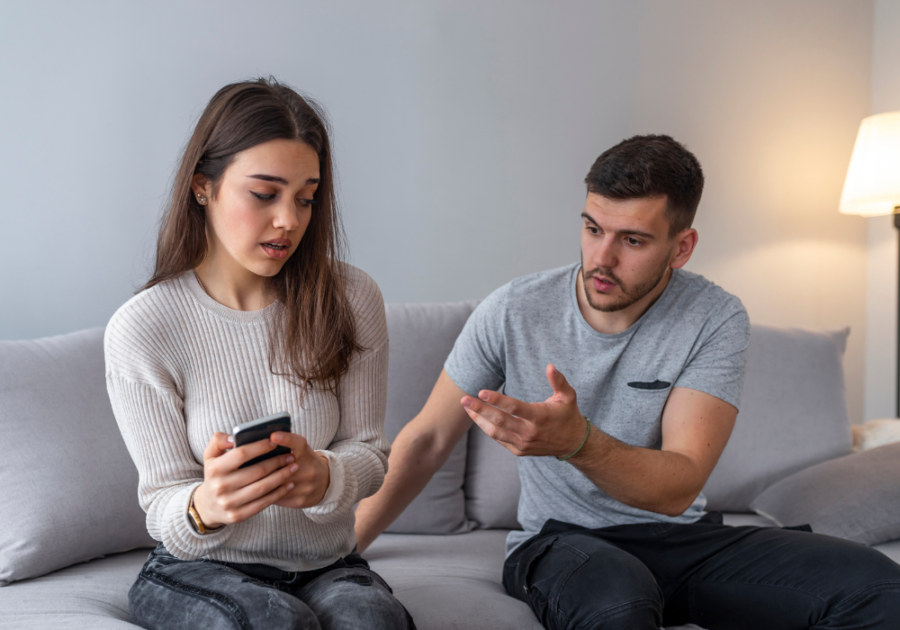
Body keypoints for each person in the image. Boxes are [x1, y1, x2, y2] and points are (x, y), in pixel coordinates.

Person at [354, 135, 900, 629]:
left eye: (633, 241)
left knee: (880, 588)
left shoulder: (714, 317)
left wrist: (577, 442)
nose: (602, 258)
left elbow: (679, 484)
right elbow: (426, 440)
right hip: (562, 543)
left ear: (681, 248)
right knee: (620, 604)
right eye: (593, 229)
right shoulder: (514, 309)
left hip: (684, 539)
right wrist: (344, 547)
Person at [105, 78, 414, 630]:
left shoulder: (351, 297)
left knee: (373, 622)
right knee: (275, 622)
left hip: (327, 563)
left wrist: (325, 476)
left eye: (306, 197)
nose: (289, 221)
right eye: (264, 194)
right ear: (204, 187)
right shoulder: (145, 326)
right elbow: (163, 507)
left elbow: (369, 451)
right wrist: (208, 505)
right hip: (198, 568)